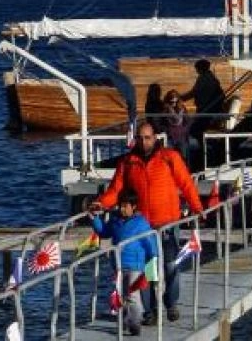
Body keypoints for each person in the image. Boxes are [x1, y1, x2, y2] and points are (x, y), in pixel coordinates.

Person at [90, 121, 204, 324]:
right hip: (142, 226)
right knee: (147, 270)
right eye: (140, 138)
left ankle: (171, 303)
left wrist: (197, 208)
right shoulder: (127, 162)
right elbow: (116, 191)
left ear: (156, 138)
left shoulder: (169, 157)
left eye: (148, 137)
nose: (144, 142)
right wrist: (99, 204)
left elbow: (186, 183)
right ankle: (149, 311)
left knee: (170, 265)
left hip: (167, 222)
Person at [90, 189, 157, 336]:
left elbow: (151, 245)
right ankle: (125, 320)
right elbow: (103, 231)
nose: (122, 209)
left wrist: (153, 266)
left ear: (133, 207)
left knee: (133, 295)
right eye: (120, 205)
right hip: (118, 265)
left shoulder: (141, 223)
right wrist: (94, 218)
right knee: (120, 295)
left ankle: (135, 323)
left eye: (126, 206)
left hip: (136, 265)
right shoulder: (115, 220)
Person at [180, 59, 225, 144]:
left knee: (194, 130)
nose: (196, 70)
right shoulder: (211, 77)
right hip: (208, 108)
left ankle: (207, 147)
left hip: (207, 109)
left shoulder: (204, 78)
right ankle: (207, 145)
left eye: (196, 68)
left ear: (200, 68)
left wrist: (180, 99)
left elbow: (194, 92)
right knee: (197, 130)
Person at [162, 89, 192, 162]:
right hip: (170, 137)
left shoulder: (182, 109)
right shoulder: (165, 110)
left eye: (175, 101)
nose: (174, 103)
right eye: (172, 101)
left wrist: (184, 130)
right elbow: (162, 122)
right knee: (170, 158)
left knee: (183, 158)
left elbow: (188, 121)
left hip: (181, 137)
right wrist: (166, 130)